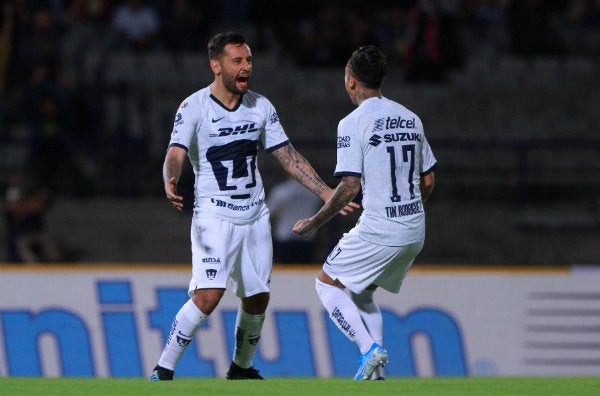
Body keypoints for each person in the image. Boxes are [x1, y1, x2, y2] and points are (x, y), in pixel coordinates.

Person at [149, 31, 357, 381]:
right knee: (209, 295)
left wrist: (324, 192)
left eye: (249, 60)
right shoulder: (193, 106)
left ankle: (240, 368)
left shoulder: (261, 106)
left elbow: (288, 157)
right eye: (238, 61)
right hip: (214, 215)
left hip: (255, 216)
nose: (247, 67)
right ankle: (163, 369)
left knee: (257, 298)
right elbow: (175, 152)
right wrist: (171, 176)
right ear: (216, 66)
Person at [293, 45, 437, 380]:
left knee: (326, 285)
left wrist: (315, 222)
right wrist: (413, 210)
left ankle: (368, 350)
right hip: (414, 229)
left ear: (351, 81)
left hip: (380, 228)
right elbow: (428, 178)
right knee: (362, 291)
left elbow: (348, 186)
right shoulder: (410, 117)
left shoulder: (353, 122)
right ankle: (377, 375)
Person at [267, 175, 322, 263]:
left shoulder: (281, 190)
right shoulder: (315, 191)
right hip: (307, 237)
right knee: (305, 271)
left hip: (285, 237)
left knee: (284, 272)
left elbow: (269, 212)